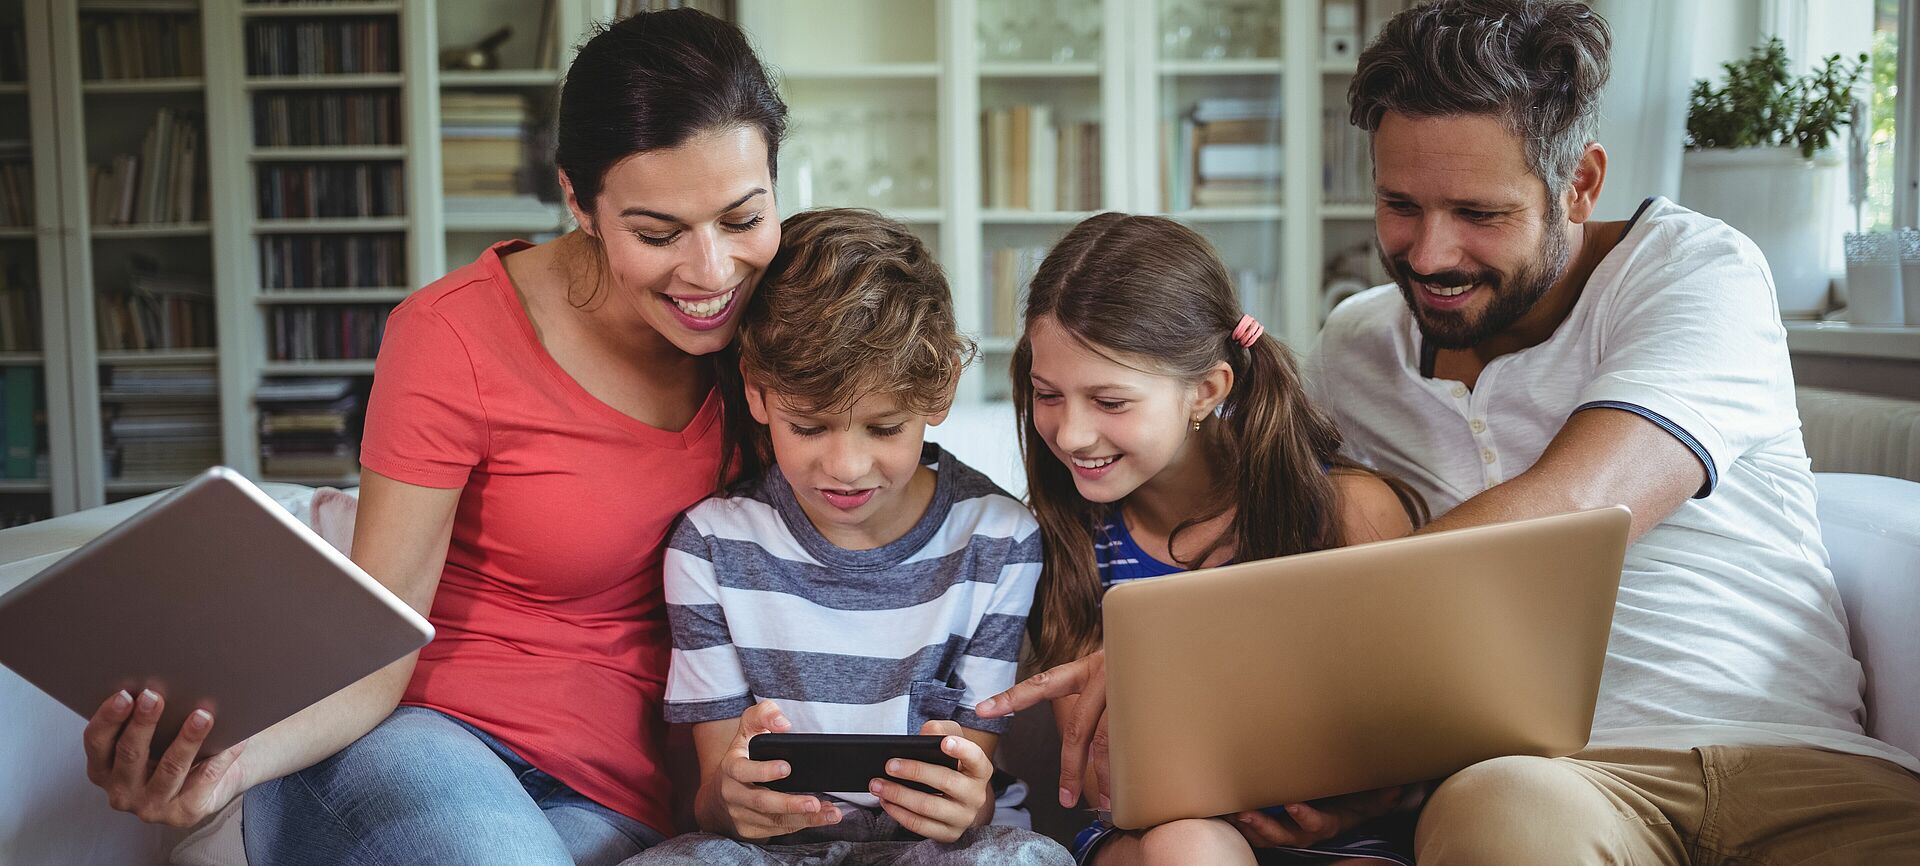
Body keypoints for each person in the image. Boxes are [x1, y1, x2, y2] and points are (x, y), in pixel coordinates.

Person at [76, 9, 787, 865]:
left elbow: (892, 493)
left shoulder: (779, 333)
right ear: (579, 202)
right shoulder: (453, 336)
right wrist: (223, 769)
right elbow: (380, 639)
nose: (710, 273)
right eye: (657, 233)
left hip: (614, 796)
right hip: (407, 742)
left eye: (742, 220)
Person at [1304, 1, 1920, 862]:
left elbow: (1580, 510)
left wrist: (1277, 660)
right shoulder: (1352, 350)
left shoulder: (1693, 269)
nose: (1431, 255)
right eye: (1400, 204)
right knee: (1498, 812)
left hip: (1797, 762)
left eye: (1480, 214)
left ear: (1580, 184)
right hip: (1544, 784)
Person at [630, 208, 1071, 866]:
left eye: (884, 427)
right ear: (756, 393)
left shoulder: (999, 538)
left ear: (940, 390)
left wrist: (963, 803)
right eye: (809, 427)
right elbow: (711, 802)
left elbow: (974, 781)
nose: (845, 466)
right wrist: (734, 798)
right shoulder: (712, 545)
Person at [989, 213, 1424, 865]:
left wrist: (1348, 804)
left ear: (1206, 390)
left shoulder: (1347, 511)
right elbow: (1110, 777)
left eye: (1110, 402)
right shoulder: (1069, 535)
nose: (1072, 433)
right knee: (1188, 845)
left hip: (1342, 835)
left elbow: (1411, 739)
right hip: (1151, 838)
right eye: (1048, 394)